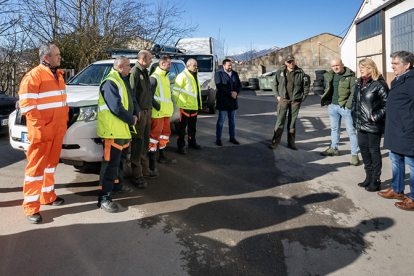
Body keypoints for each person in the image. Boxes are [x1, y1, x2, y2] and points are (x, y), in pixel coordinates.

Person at [18, 43, 68, 224]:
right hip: (42, 132)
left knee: (50, 166)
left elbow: (62, 103)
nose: (60, 57)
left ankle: (48, 196)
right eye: (57, 55)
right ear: (46, 57)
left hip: (56, 130)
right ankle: (31, 207)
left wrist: (64, 120)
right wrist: (41, 129)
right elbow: (28, 107)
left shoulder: (58, 75)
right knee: (35, 170)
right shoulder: (33, 76)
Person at [97, 56, 139, 213]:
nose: (130, 68)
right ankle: (104, 198)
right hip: (113, 131)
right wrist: (132, 119)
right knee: (110, 165)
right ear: (120, 67)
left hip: (121, 129)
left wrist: (136, 114)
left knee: (119, 161)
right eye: (128, 66)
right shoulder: (110, 82)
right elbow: (116, 107)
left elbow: (130, 100)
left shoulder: (122, 79)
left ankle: (117, 186)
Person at [378, 51, 414, 210]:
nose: (392, 66)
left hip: (408, 130)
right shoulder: (399, 80)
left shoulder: (411, 80)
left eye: (395, 63)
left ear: (407, 65)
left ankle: (413, 198)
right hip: (395, 129)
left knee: (411, 164)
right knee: (395, 158)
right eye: (392, 63)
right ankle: (397, 189)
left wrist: (408, 124)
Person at [351, 58, 388, 192]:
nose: (360, 69)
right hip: (360, 123)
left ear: (370, 68)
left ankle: (376, 180)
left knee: (374, 151)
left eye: (363, 67)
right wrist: (353, 115)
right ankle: (368, 176)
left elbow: (387, 104)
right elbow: (355, 101)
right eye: (359, 66)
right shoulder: (359, 83)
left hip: (373, 125)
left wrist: (375, 116)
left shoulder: (379, 84)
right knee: (364, 150)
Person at [320, 58, 360, 166]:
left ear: (342, 64)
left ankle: (355, 155)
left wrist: (348, 105)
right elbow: (326, 88)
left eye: (337, 65)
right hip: (332, 106)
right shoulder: (330, 75)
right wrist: (328, 102)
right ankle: (334, 148)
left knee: (351, 131)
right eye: (333, 66)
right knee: (334, 128)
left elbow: (353, 92)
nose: (335, 68)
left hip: (345, 108)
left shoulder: (350, 76)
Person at [130, 50, 158, 189]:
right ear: (142, 59)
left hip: (147, 111)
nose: (151, 61)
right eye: (150, 58)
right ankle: (137, 174)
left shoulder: (145, 72)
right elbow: (132, 94)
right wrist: (136, 112)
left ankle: (145, 170)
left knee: (145, 140)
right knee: (138, 141)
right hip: (140, 113)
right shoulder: (135, 72)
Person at [270, 55, 310, 150]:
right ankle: (275, 142)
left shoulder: (300, 72)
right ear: (285, 63)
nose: (291, 63)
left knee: (292, 123)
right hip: (283, 99)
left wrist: (302, 98)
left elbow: (306, 86)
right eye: (289, 62)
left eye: (293, 61)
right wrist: (277, 96)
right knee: (280, 122)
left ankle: (291, 143)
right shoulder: (280, 71)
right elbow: (274, 84)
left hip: (295, 101)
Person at [148, 55, 176, 166]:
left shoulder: (165, 76)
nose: (170, 66)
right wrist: (158, 106)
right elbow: (149, 96)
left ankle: (162, 155)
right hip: (158, 113)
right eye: (168, 64)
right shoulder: (154, 77)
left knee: (165, 134)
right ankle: (151, 161)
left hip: (165, 112)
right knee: (154, 136)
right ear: (162, 64)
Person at [173, 58, 202, 154]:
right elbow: (175, 92)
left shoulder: (194, 75)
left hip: (193, 106)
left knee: (192, 126)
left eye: (196, 65)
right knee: (182, 127)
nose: (196, 67)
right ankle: (180, 146)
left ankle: (192, 142)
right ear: (188, 66)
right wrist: (181, 102)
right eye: (194, 65)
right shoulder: (183, 76)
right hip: (185, 106)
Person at [215, 58, 242, 146]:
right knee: (221, 120)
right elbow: (220, 86)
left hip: (232, 101)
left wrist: (236, 92)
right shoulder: (218, 74)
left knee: (232, 120)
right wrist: (231, 93)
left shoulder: (234, 74)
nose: (230, 67)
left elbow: (239, 85)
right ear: (224, 66)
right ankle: (218, 138)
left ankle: (232, 137)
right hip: (223, 100)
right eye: (229, 65)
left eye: (231, 65)